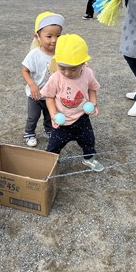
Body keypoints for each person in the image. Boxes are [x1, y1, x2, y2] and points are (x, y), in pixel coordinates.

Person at [40, 34, 104, 172]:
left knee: (89, 141)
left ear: (83, 63)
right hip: (61, 122)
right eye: (62, 68)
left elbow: (92, 88)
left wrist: (94, 103)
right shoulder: (56, 77)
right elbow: (49, 97)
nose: (67, 73)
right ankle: (51, 162)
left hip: (82, 118)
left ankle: (88, 158)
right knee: (53, 146)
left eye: (73, 69)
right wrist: (53, 114)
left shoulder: (88, 73)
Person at [22, 11, 65, 147]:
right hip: (35, 94)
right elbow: (25, 71)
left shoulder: (61, 53)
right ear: (37, 36)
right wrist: (32, 85)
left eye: (58, 36)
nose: (54, 40)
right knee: (33, 116)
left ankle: (48, 130)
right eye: (49, 36)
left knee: (49, 114)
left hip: (51, 95)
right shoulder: (34, 55)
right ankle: (29, 132)